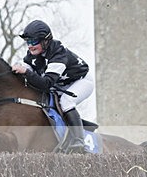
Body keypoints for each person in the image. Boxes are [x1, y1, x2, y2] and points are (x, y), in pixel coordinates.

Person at [11, 20, 94, 154]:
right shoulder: (32, 55)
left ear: (45, 41)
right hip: (60, 84)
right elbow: (23, 69)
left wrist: (26, 72)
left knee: (66, 102)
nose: (30, 46)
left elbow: (46, 84)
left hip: (81, 81)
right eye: (28, 42)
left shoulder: (58, 54)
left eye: (33, 42)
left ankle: (79, 141)